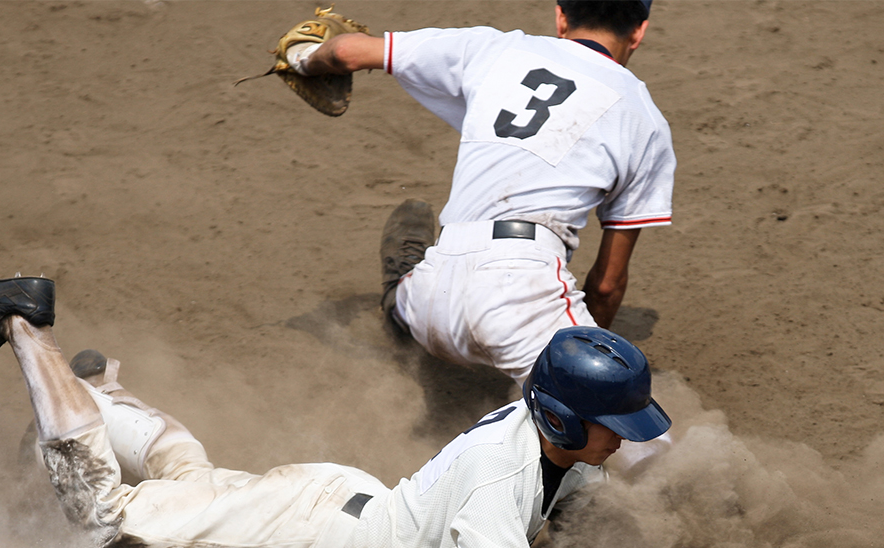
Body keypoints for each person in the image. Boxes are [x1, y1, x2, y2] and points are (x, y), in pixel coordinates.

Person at [0, 276, 691, 548]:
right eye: (613, 427)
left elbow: (567, 507)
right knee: (107, 519)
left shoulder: (545, 440)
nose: (624, 440)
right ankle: (25, 326)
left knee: (190, 480)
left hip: (332, 510)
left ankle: (99, 399)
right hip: (310, 532)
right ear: (561, 423)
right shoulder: (511, 467)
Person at [286, 0, 675, 386]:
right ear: (638, 32)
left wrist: (302, 57)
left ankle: (399, 295)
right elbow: (607, 286)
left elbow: (344, 51)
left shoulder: (495, 47)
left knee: (424, 285)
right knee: (626, 426)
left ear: (561, 17)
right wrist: (578, 360)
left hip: (430, 299)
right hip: (522, 299)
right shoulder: (643, 117)